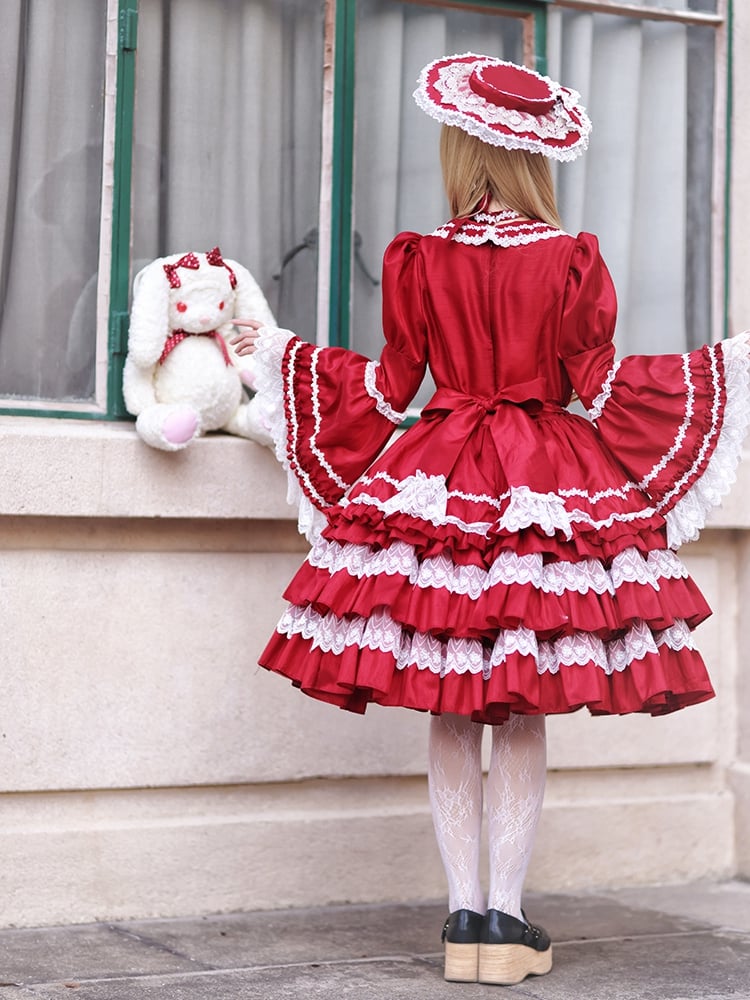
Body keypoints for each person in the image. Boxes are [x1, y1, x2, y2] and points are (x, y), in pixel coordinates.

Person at [231, 54, 750, 986]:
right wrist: (720, 372)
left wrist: (279, 355)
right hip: (547, 478)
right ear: (533, 159)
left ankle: (461, 919)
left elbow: (391, 388)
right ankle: (504, 921)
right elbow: (598, 385)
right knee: (519, 706)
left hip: (437, 473)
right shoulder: (572, 257)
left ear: (463, 148)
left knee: (445, 701)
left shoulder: (417, 257)